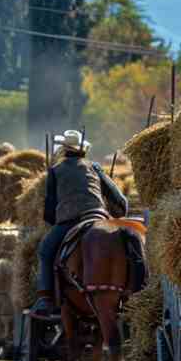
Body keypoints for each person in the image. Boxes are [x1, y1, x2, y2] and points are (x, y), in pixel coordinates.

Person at [32, 129, 129, 319]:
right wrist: (118, 216)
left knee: (44, 250)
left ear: (64, 149)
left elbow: (49, 210)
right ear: (83, 149)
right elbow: (120, 199)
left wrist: (53, 221)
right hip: (99, 217)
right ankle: (136, 292)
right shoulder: (94, 167)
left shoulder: (55, 171)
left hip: (69, 221)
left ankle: (45, 298)